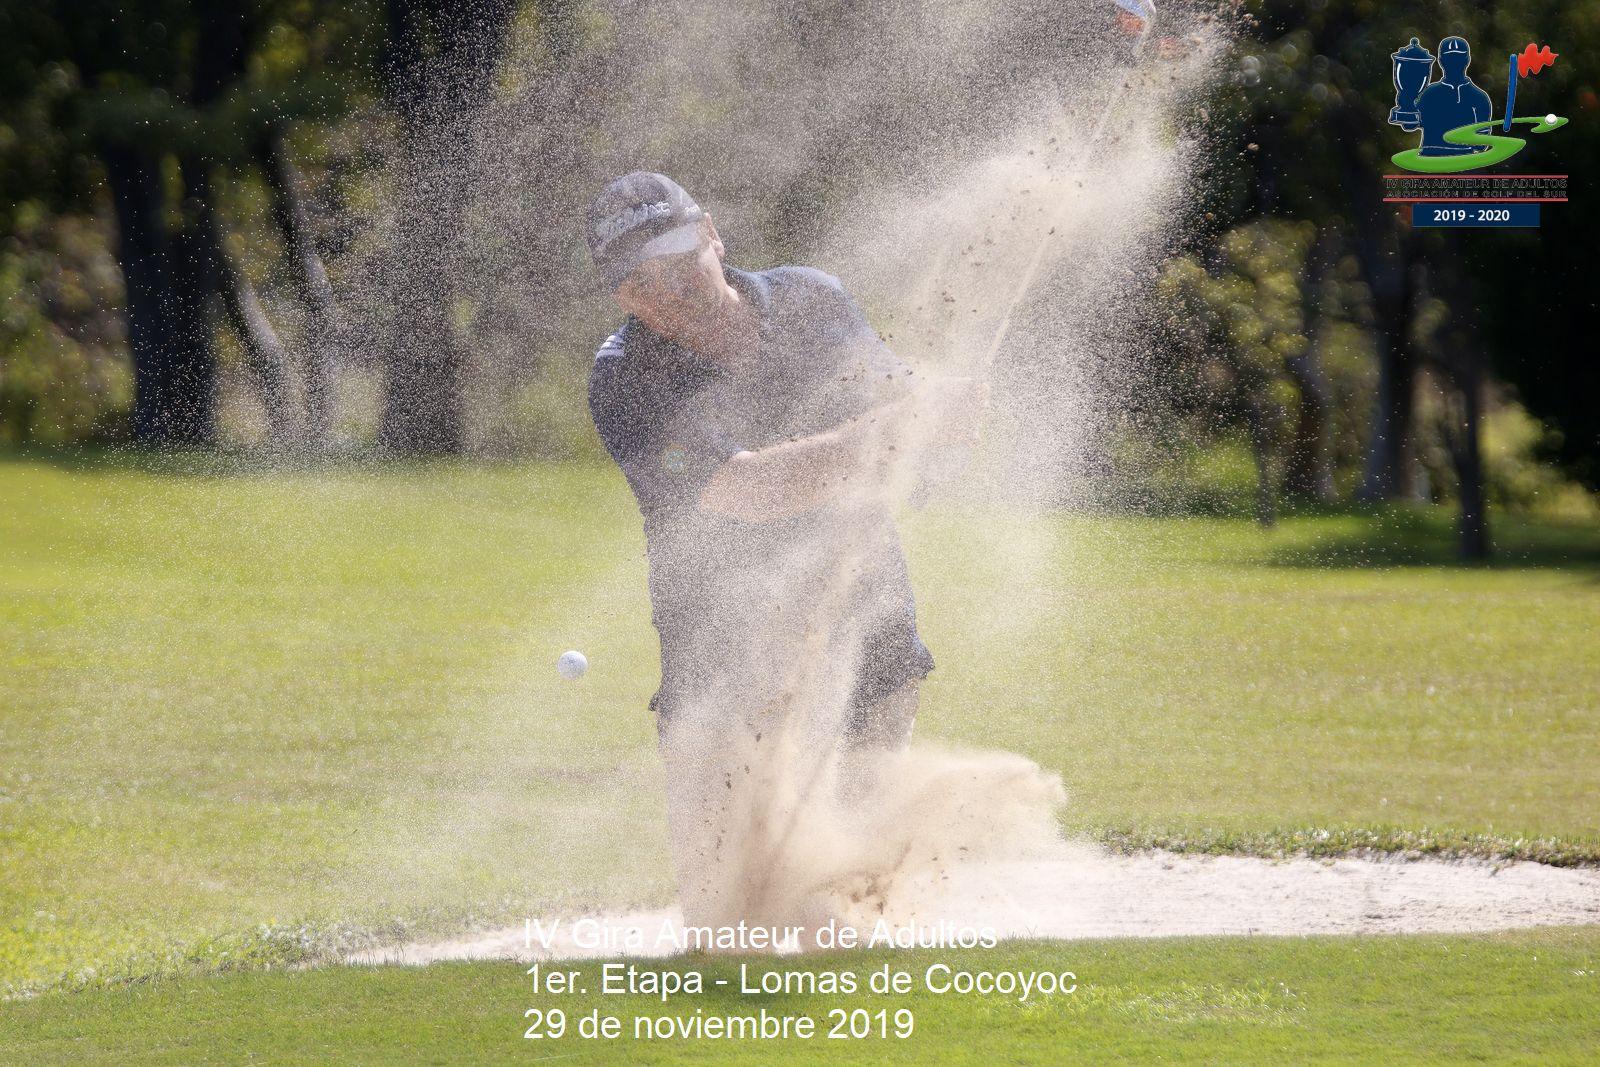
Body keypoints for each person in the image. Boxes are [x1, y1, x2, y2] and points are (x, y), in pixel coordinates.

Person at [584, 171, 984, 775]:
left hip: (864, 616)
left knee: (868, 828)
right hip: (720, 650)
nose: (667, 289)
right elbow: (749, 490)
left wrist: (940, 430)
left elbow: (898, 408)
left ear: (711, 235)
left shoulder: (813, 299)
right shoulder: (624, 377)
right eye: (641, 280)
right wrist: (899, 431)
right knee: (721, 839)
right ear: (622, 299)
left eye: (677, 259)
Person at [1416, 36, 1494, 157]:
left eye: (1458, 58)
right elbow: (1412, 123)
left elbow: (1482, 144)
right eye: (1450, 59)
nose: (1454, 63)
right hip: (1430, 160)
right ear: (1441, 61)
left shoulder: (1479, 98)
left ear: (1467, 60)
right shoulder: (1428, 94)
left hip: (1463, 162)